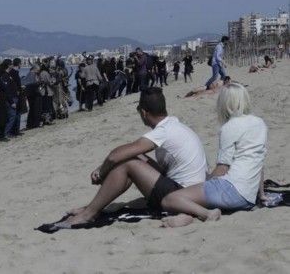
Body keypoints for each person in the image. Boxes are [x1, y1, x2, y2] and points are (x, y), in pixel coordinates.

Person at [61, 87, 207, 227]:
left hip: (181, 197)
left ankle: (88, 214)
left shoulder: (163, 131)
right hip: (196, 193)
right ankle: (91, 208)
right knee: (135, 156)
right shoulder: (175, 124)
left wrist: (101, 172)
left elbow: (114, 156)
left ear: (143, 112)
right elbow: (131, 152)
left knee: (127, 163)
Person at [161, 83, 267, 227]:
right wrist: (261, 195)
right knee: (195, 197)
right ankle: (187, 215)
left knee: (170, 200)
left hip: (232, 189)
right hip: (248, 197)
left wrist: (206, 181)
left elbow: (223, 169)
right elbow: (259, 163)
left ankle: (207, 214)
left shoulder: (230, 127)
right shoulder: (259, 123)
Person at [23, 64, 42, 129]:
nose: (38, 71)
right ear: (34, 69)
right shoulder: (32, 74)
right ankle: (35, 124)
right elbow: (32, 84)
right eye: (38, 70)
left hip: (31, 94)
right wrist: (39, 83)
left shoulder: (31, 74)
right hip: (33, 95)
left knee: (33, 110)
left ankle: (31, 124)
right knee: (35, 109)